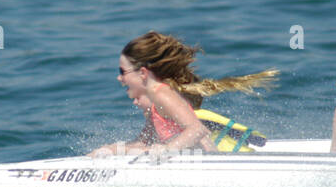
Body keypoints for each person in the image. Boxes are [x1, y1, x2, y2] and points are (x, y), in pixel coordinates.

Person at [91, 32, 278, 156]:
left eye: (123, 72)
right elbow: (142, 142)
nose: (119, 78)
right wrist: (111, 150)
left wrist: (167, 149)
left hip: (214, 166)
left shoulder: (162, 94)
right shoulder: (156, 105)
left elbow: (197, 130)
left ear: (142, 73)